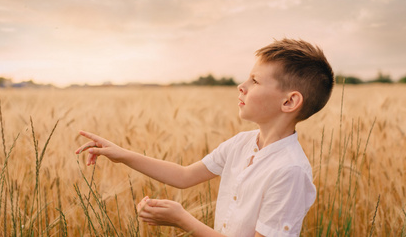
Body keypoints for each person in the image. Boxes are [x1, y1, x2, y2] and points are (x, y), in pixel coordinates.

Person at [75, 38, 334, 237]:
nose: (241, 86)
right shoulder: (241, 143)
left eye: (255, 81)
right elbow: (184, 176)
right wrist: (122, 154)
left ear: (289, 101)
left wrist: (183, 221)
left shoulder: (289, 171)